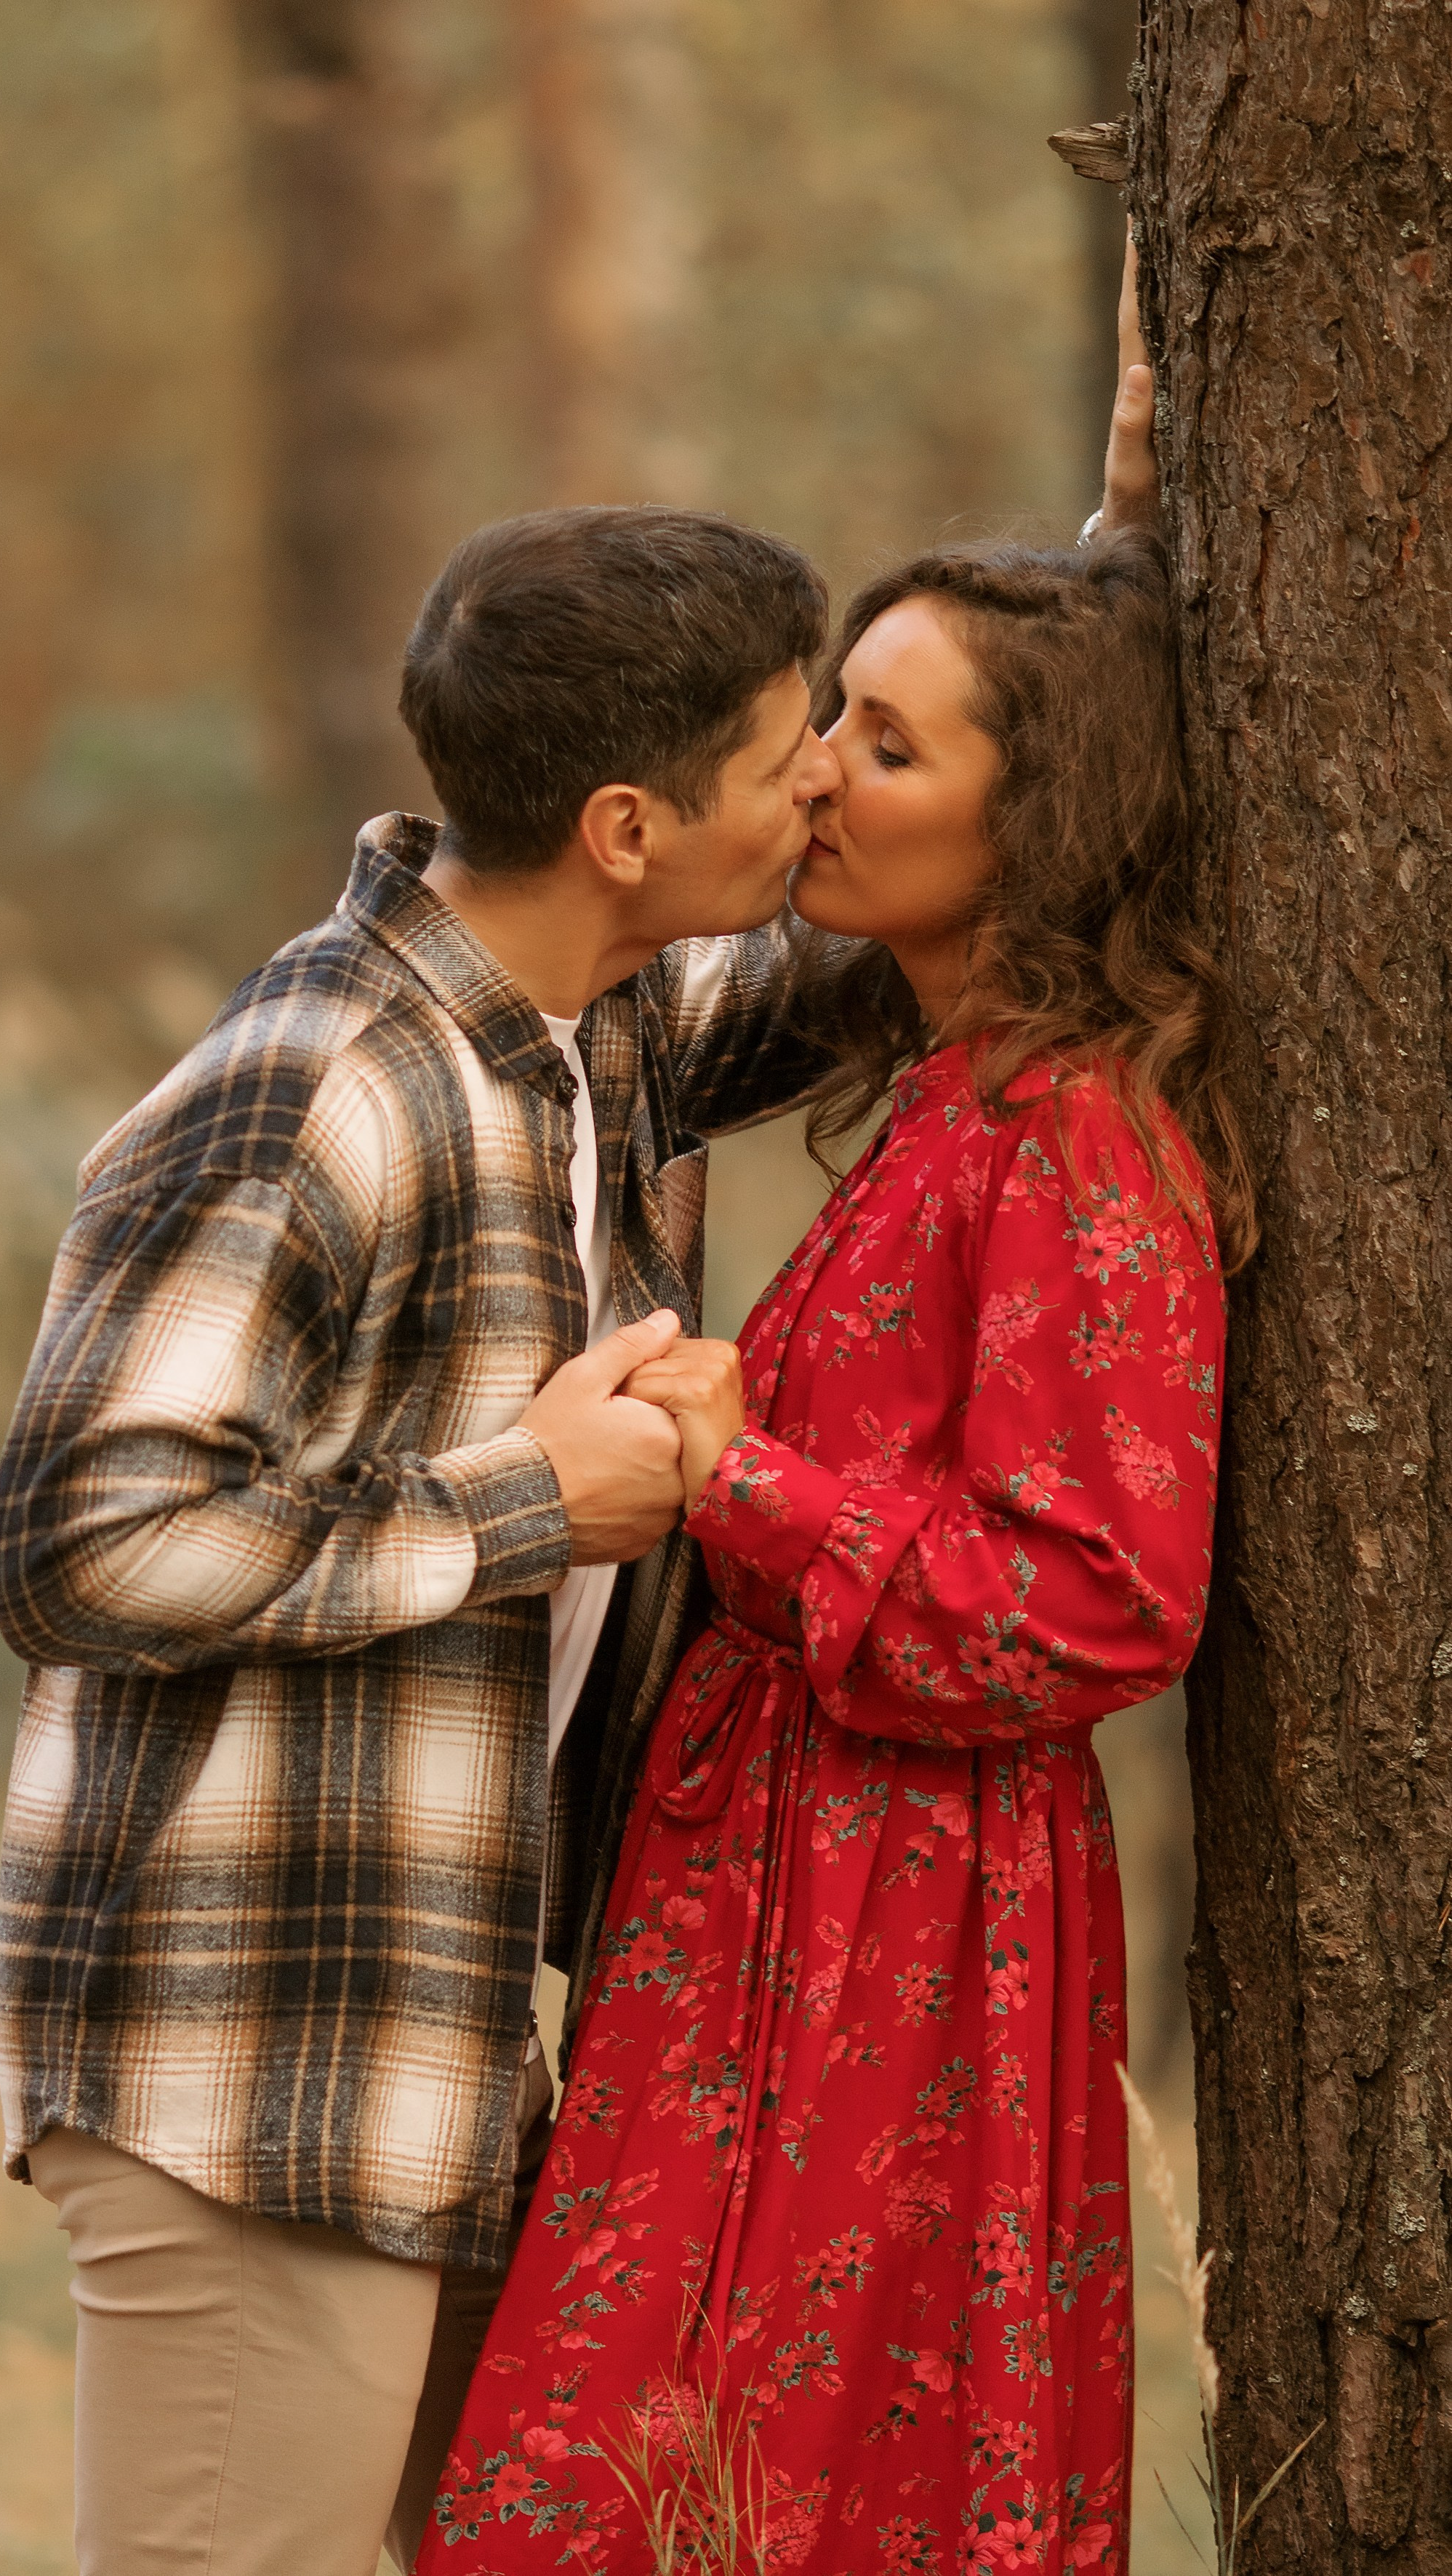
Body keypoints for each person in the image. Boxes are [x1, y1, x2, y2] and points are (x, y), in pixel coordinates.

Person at [0, 305, 1159, 2572]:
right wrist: (536, 1505)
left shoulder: (579, 1026)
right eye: (782, 747)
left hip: (424, 2055)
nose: (823, 781)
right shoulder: (314, 1093)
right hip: (252, 2066)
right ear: (628, 825)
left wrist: (1128, 555)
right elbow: (81, 1543)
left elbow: (912, 895)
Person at [416, 523, 1255, 2576]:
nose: (816, 778)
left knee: (734, 2500)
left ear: (1039, 811)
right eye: (822, 728)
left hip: (903, 1922)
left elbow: (1098, 1602)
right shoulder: (946, 1086)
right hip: (754, 1886)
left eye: (881, 744)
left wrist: (742, 1482)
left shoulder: (1074, 1133)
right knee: (610, 2495)